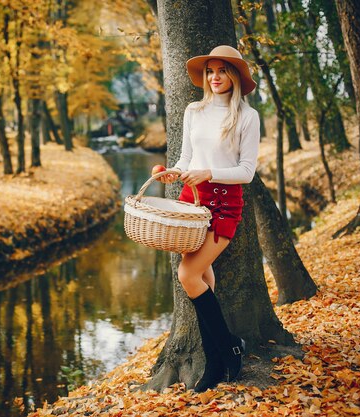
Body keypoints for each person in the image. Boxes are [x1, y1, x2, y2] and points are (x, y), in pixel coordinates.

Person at [153, 45, 260, 392]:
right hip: (191, 202)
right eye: (210, 71)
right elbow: (186, 157)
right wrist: (175, 173)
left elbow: (246, 172)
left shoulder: (247, 116)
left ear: (235, 76)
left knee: (187, 274)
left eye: (223, 71)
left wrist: (208, 172)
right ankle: (224, 350)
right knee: (199, 276)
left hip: (225, 204)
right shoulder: (193, 111)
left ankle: (223, 355)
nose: (215, 77)